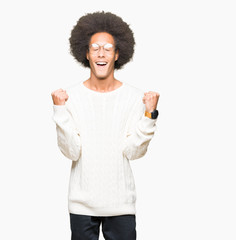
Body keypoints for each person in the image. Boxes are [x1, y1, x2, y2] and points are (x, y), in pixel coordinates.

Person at [51, 11, 159, 240]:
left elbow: (134, 152)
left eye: (108, 48)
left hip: (120, 205)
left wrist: (150, 115)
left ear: (118, 53)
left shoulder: (135, 98)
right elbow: (71, 151)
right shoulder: (70, 97)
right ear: (86, 53)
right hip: (82, 206)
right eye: (95, 48)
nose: (101, 54)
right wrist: (60, 111)